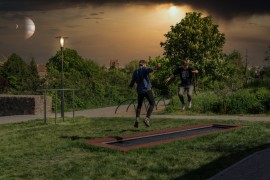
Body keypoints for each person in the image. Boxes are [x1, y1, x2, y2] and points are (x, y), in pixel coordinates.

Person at [129, 60, 160, 128]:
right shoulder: (144, 68)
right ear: (144, 64)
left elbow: (132, 82)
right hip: (147, 90)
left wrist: (130, 86)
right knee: (152, 103)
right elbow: (150, 69)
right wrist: (156, 66)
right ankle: (147, 119)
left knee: (139, 105)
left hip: (139, 91)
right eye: (146, 64)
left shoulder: (135, 71)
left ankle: (137, 120)